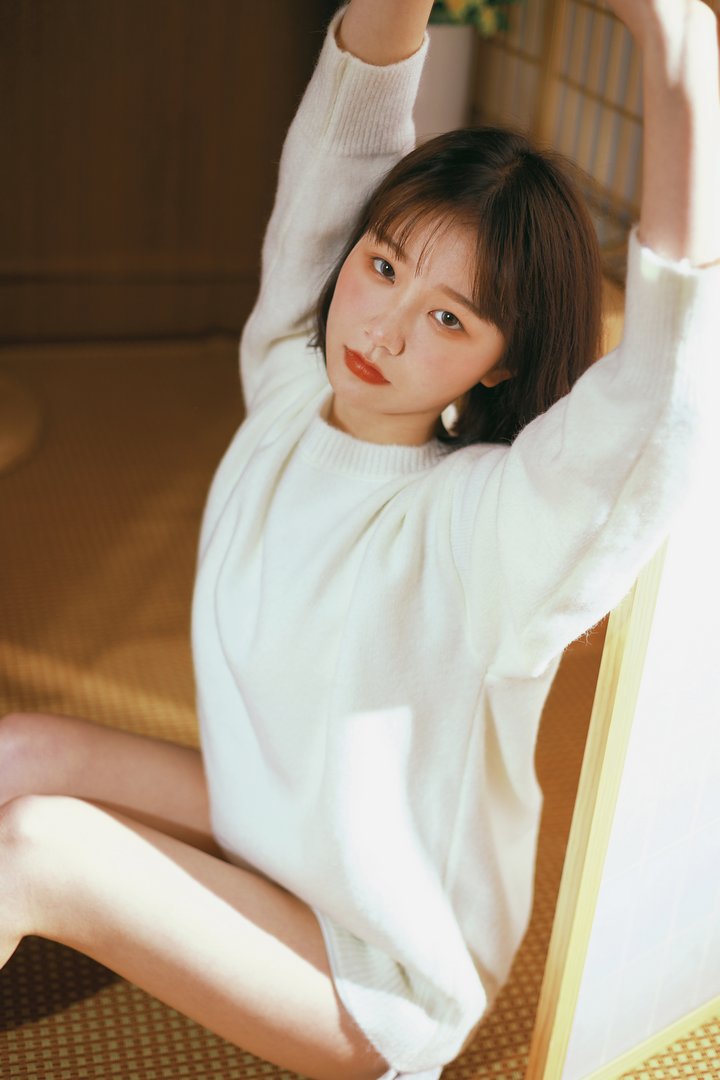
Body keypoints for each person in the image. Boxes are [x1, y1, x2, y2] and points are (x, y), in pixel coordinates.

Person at [0, 1, 718, 1077]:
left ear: (501, 362)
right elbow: (345, 132)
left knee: (37, 849)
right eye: (385, 267)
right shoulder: (290, 378)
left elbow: (664, 395)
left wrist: (675, 42)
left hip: (374, 974)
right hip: (273, 831)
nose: (383, 328)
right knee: (16, 752)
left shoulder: (493, 532)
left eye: (449, 319)